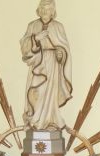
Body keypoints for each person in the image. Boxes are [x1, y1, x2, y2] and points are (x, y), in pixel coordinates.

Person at [20, 0, 72, 130]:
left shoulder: (58, 26)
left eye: (48, 9)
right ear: (39, 10)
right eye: (42, 8)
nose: (45, 11)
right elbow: (24, 46)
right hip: (37, 62)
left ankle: (49, 121)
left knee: (49, 93)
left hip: (52, 64)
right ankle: (35, 120)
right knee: (36, 91)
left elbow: (65, 48)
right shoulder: (32, 25)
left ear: (52, 11)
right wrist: (36, 38)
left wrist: (61, 54)